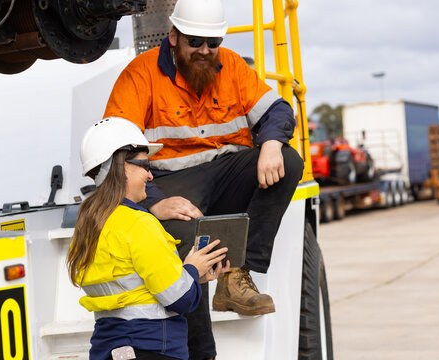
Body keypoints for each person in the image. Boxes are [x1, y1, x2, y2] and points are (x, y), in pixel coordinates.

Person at [102, 0, 304, 358]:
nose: (205, 51)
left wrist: (272, 144)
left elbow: (278, 109)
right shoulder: (141, 74)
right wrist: (154, 202)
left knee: (288, 160)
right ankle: (201, 353)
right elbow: (119, 148)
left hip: (225, 173)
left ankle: (238, 276)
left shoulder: (233, 67)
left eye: (213, 43)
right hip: (171, 179)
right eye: (196, 42)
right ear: (174, 36)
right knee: (180, 241)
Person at [66, 118, 230, 360]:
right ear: (122, 167)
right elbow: (180, 298)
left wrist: (193, 276)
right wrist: (193, 269)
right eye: (145, 165)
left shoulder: (89, 223)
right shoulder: (139, 223)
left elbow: (134, 288)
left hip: (107, 351)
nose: (151, 175)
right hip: (151, 348)